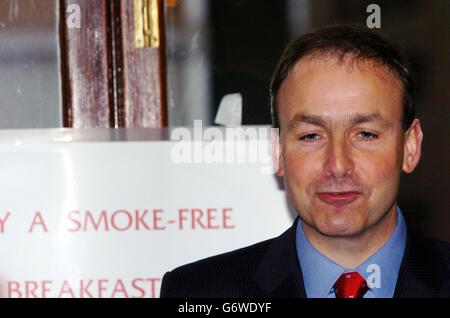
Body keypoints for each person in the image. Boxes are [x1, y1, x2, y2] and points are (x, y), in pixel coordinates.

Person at [160, 24, 450, 298]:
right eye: (311, 136)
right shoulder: (198, 292)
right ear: (278, 152)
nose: (337, 165)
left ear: (410, 147)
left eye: (365, 134)